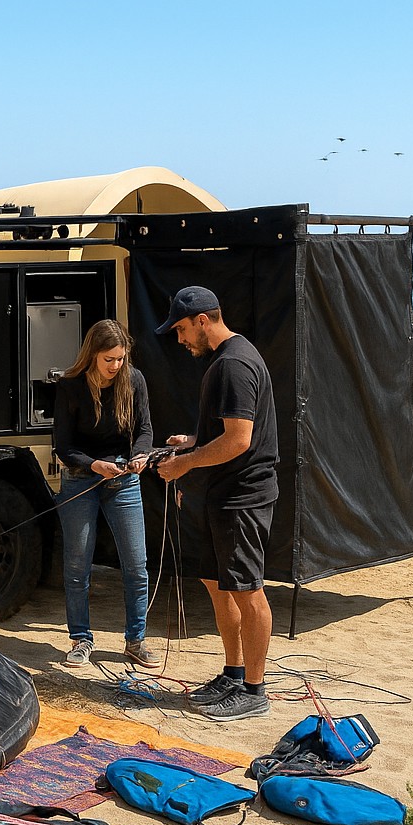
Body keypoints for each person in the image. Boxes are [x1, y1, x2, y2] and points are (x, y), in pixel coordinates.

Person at [153, 286, 279, 722]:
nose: (181, 338)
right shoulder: (221, 361)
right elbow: (225, 432)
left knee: (247, 589)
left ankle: (255, 689)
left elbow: (240, 440)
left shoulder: (233, 364)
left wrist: (184, 464)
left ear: (204, 320)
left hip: (242, 495)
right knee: (217, 583)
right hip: (217, 494)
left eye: (183, 329)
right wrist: (193, 442)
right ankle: (232, 672)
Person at [51, 318, 160, 669]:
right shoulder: (70, 385)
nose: (115, 366)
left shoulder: (134, 380)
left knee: (136, 565)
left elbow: (144, 428)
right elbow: (63, 446)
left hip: (124, 477)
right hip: (82, 478)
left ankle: (135, 640)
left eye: (120, 359)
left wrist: (141, 454)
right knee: (77, 565)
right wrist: (94, 465)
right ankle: (81, 639)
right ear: (92, 356)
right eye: (109, 359)